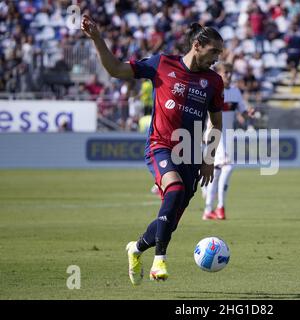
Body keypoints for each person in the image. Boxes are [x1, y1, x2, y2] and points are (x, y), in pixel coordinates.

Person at [82, 16, 224, 284]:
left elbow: (216, 122)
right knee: (175, 189)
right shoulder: (162, 64)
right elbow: (115, 69)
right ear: (197, 45)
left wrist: (209, 157)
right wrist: (97, 38)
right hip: (161, 146)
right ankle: (160, 259)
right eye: (213, 51)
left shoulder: (214, 82)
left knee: (168, 221)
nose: (217, 57)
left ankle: (135, 249)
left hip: (192, 156)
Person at [202, 62, 253, 220]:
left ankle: (208, 209)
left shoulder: (235, 92)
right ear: (219, 74)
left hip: (227, 136)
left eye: (230, 73)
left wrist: (248, 113)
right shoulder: (212, 90)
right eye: (225, 72)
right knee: (228, 166)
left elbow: (243, 111)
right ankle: (220, 207)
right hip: (215, 135)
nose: (228, 76)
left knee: (216, 173)